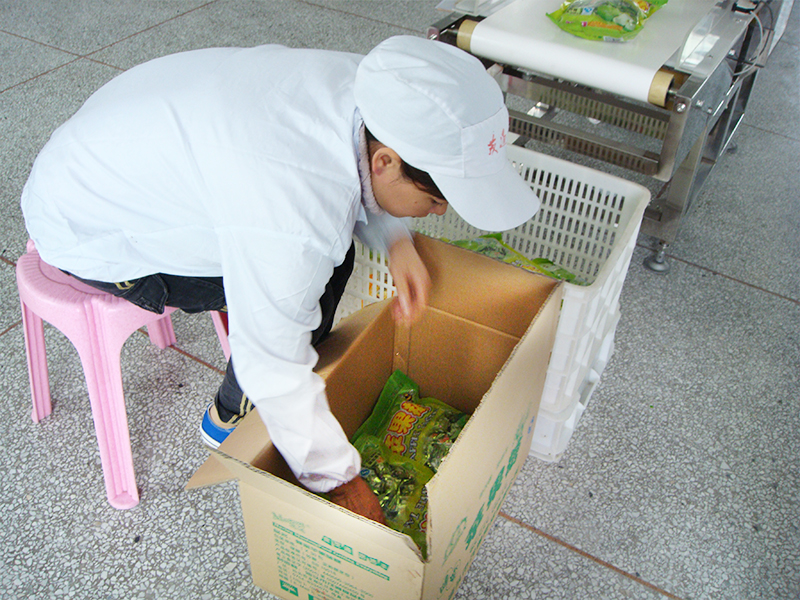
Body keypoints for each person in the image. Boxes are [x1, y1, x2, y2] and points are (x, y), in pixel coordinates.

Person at [20, 36, 540, 523]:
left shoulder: (371, 88)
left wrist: (397, 241)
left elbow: (365, 175)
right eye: (433, 200)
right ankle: (229, 417)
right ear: (386, 161)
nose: (439, 213)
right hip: (87, 231)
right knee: (309, 292)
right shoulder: (294, 214)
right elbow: (270, 357)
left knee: (327, 260)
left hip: (108, 155)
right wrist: (341, 482)